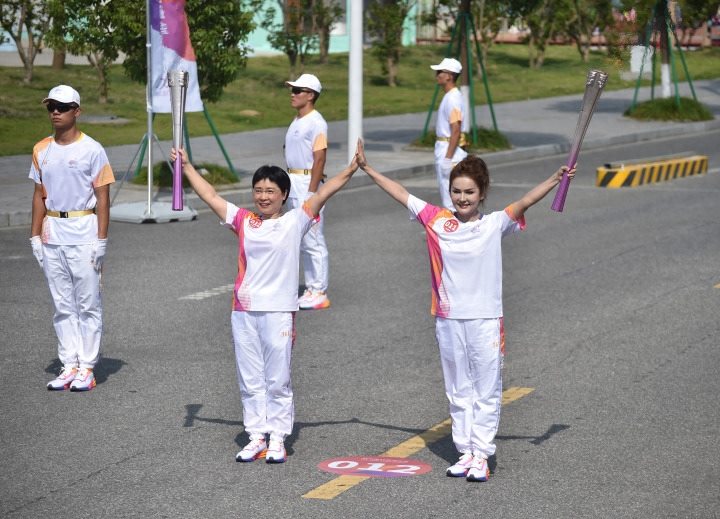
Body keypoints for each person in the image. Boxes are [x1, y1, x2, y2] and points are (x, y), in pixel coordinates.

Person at [354, 140, 574, 482]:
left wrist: (555, 179)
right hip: (448, 318)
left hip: (486, 319)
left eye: (469, 192)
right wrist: (367, 168)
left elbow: (527, 200)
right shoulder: (436, 220)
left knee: (485, 389)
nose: (462, 198)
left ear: (482, 192)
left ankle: (482, 454)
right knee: (458, 390)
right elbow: (400, 192)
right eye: (456, 191)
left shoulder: (495, 224)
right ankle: (465, 451)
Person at [169, 146, 359, 464]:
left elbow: (324, 191)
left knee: (278, 377)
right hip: (244, 309)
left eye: (270, 191)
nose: (263, 196)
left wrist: (352, 169)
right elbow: (212, 197)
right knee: (250, 377)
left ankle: (278, 437)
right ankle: (256, 434)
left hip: (279, 311)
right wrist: (187, 167)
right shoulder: (245, 221)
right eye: (258, 190)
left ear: (284, 194)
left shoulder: (296, 221)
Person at [30, 85, 115, 392]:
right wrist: (34, 237)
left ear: (76, 111)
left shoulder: (92, 149)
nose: (56, 111)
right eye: (51, 106)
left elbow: (102, 198)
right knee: (62, 303)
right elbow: (39, 195)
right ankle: (69, 364)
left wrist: (101, 240)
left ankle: (88, 367)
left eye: (63, 107)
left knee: (88, 302)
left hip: (84, 229)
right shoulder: (42, 149)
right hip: (53, 231)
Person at [284, 73, 331, 310]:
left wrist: (312, 193)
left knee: (313, 238)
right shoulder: (297, 120)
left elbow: (320, 158)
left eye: (297, 91)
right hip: (293, 181)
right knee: (300, 238)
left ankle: (319, 290)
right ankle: (310, 286)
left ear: (310, 95)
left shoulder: (316, 122)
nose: (292, 94)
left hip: (307, 183)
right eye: (292, 90)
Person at [431, 57, 468, 210]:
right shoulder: (450, 96)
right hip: (445, 147)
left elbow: (456, 130)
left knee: (451, 200)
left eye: (440, 72)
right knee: (449, 198)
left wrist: (447, 158)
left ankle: (456, 232)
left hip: (449, 150)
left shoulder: (452, 98)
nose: (437, 75)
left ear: (449, 76)